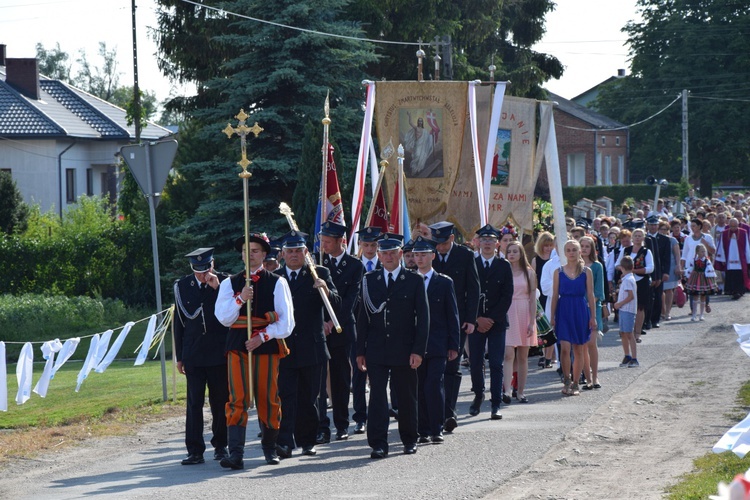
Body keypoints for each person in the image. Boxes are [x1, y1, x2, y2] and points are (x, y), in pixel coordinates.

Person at [215, 232, 294, 468]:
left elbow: (287, 322)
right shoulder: (230, 283)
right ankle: (236, 454)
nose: (250, 256)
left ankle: (270, 448)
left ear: (264, 254)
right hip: (237, 345)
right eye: (245, 251)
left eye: (255, 251)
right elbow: (223, 318)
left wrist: (263, 336)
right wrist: (240, 299)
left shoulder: (277, 282)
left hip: (265, 346)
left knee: (267, 397)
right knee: (237, 398)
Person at [356, 233, 429, 459]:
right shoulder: (369, 280)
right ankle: (378, 443)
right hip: (377, 348)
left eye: (391, 252)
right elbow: (362, 318)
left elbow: (423, 318)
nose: (388, 256)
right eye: (383, 252)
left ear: (400, 254)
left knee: (406, 396)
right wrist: (360, 351)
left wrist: (418, 350)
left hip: (404, 348)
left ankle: (409, 439)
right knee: (377, 397)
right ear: (378, 255)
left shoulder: (414, 280)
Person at [275, 230, 340, 459]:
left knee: (309, 398)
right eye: (289, 251)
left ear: (305, 252)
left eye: (298, 251)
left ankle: (307, 441)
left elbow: (337, 302)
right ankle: (284, 442)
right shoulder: (276, 277)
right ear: (282, 254)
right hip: (284, 348)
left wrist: (325, 290)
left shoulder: (318, 272)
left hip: (312, 347)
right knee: (285, 396)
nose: (294, 255)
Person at [173, 247, 230, 466]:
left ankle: (221, 445)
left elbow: (231, 311)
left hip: (219, 352)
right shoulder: (182, 286)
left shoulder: (224, 283)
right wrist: (180, 356)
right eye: (197, 271)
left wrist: (216, 288)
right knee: (194, 403)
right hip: (194, 353)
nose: (202, 275)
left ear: (212, 264)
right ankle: (195, 450)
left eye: (205, 269)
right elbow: (179, 323)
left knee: (220, 401)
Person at [429, 221, 480, 433]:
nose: (439, 248)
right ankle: (435, 411)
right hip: (431, 321)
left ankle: (449, 411)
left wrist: (470, 318)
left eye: (442, 243)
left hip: (456, 321)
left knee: (452, 366)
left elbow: (473, 288)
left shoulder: (465, 255)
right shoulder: (427, 254)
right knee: (433, 370)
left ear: (451, 239)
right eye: (436, 243)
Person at [317, 221, 364, 443]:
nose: (323, 245)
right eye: (322, 241)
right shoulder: (316, 263)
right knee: (317, 381)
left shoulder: (355, 266)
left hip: (341, 329)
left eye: (327, 241)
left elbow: (350, 301)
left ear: (340, 241)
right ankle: (320, 426)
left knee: (340, 379)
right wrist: (321, 321)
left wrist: (331, 322)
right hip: (317, 331)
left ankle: (342, 424)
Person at [412, 236, 460, 444]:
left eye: (424, 254)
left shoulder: (444, 281)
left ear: (432, 256)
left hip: (438, 343)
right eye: (416, 255)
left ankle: (436, 427)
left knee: (433, 384)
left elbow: (453, 315)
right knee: (418, 386)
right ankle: (422, 430)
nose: (420, 258)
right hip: (415, 345)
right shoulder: (409, 280)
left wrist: (454, 344)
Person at [471, 224, 513, 419]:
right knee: (476, 362)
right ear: (478, 242)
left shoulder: (504, 265)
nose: (487, 243)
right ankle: (478, 395)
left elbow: (507, 296)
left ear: (497, 244)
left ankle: (495, 402)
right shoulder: (471, 263)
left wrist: (491, 318)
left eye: (491, 240)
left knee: (496, 363)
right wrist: (477, 318)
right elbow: (466, 294)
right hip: (476, 321)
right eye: (484, 239)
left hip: (496, 322)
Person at [550, 240, 597, 396]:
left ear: (579, 252)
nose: (571, 252)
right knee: (564, 348)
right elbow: (555, 295)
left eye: (574, 250)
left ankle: (576, 382)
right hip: (563, 310)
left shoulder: (586, 272)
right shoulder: (558, 272)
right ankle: (567, 380)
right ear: (564, 253)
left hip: (580, 310)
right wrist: (552, 316)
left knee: (578, 348)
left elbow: (590, 295)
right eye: (568, 250)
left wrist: (593, 317)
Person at [351, 226, 382, 435]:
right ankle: (360, 417)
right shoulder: (354, 267)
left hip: (381, 328)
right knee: (359, 374)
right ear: (360, 245)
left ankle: (383, 410)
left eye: (373, 245)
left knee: (382, 374)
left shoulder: (386, 264)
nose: (370, 249)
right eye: (366, 244)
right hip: (357, 327)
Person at [503, 241, 536, 403]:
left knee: (523, 355)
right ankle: (507, 389)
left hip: (524, 312)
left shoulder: (529, 272)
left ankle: (521, 391)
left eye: (515, 251)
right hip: (508, 312)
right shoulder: (503, 271)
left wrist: (532, 322)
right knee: (508, 353)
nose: (512, 254)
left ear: (521, 253)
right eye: (509, 251)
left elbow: (532, 299)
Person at [615, 228, 654, 343]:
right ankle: (627, 331)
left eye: (640, 236)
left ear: (643, 238)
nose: (637, 238)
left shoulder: (646, 251)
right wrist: (624, 270)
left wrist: (634, 271)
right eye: (635, 235)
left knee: (640, 307)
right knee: (625, 305)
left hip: (641, 281)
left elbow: (650, 268)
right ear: (632, 237)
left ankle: (637, 333)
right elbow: (617, 264)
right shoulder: (626, 250)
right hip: (627, 281)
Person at [579, 236, 604, 390]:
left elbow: (599, 291)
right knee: (581, 346)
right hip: (578, 309)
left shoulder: (597, 266)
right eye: (582, 246)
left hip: (594, 307)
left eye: (587, 246)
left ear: (592, 248)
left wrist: (589, 303)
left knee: (591, 344)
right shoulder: (575, 266)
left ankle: (595, 377)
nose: (584, 249)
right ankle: (587, 377)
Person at [532, 232, 555, 369]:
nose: (548, 248)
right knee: (541, 326)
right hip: (540, 295)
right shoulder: (536, 260)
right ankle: (543, 354)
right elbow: (533, 279)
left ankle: (550, 356)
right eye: (545, 245)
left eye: (550, 245)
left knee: (550, 325)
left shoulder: (556, 260)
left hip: (551, 294)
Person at [714, 218, 750, 300]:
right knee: (731, 274)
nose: (733, 228)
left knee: (739, 274)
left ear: (738, 225)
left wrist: (748, 259)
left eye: (735, 226)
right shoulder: (725, 233)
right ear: (729, 225)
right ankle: (731, 290)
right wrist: (722, 259)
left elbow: (747, 246)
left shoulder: (743, 232)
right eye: (731, 226)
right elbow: (721, 247)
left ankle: (739, 291)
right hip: (729, 258)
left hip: (740, 259)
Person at [646, 215, 671, 329]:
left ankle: (655, 319)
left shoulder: (664, 239)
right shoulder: (644, 239)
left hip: (659, 271)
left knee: (658, 295)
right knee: (647, 296)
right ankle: (647, 319)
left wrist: (666, 272)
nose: (653, 227)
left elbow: (666, 258)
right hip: (646, 271)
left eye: (655, 225)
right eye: (651, 225)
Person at [614, 256, 639, 367]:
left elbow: (630, 296)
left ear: (622, 268)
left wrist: (619, 304)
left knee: (629, 333)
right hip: (624, 310)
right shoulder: (627, 279)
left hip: (628, 310)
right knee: (623, 333)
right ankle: (627, 355)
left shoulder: (628, 280)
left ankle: (634, 357)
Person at [684, 244, 719, 321]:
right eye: (702, 251)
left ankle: (701, 314)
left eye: (704, 251)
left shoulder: (707, 260)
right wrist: (686, 273)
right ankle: (694, 314)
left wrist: (712, 277)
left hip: (704, 279)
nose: (704, 253)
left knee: (703, 296)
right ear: (697, 252)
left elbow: (710, 269)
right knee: (695, 296)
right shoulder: (694, 260)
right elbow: (690, 268)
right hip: (695, 279)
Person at [659, 221, 683, 321]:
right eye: (662, 229)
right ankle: (662, 311)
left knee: (669, 290)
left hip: (671, 266)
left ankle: (667, 312)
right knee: (660, 290)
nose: (664, 231)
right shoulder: (656, 239)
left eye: (666, 229)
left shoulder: (672, 240)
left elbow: (677, 255)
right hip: (660, 267)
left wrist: (678, 266)